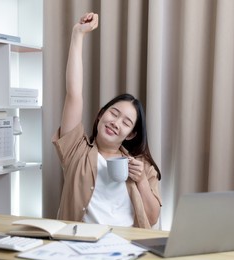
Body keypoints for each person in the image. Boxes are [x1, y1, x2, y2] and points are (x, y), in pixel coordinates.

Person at [52, 12, 162, 229]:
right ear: (101, 114)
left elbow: (151, 219)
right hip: (81, 245)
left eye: (126, 122)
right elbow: (73, 94)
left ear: (130, 134)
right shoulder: (76, 151)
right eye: (114, 113)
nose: (116, 122)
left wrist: (140, 181)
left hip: (126, 247)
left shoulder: (143, 167)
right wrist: (78, 35)